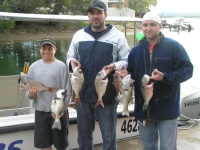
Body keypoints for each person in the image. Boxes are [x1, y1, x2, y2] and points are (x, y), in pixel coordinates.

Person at [66, 0, 130, 149]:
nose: (95, 16)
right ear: (88, 16)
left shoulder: (118, 36)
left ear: (105, 15)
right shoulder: (79, 35)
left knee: (109, 136)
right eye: (92, 13)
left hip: (107, 94)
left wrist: (115, 65)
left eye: (99, 13)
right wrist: (71, 62)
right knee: (84, 136)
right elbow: (69, 56)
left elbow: (127, 60)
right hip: (82, 95)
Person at [127, 12, 193, 150]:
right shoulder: (135, 51)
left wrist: (165, 77)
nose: (148, 28)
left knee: (168, 147)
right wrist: (126, 76)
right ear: (142, 27)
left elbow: (187, 71)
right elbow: (132, 73)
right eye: (145, 25)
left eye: (152, 24)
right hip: (143, 109)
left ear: (160, 26)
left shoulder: (174, 47)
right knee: (148, 146)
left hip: (167, 108)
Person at [27, 36, 72, 150]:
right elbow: (29, 95)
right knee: (45, 145)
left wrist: (62, 109)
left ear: (55, 50)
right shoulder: (33, 67)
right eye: (44, 48)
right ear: (40, 49)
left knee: (60, 145)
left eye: (49, 48)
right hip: (41, 112)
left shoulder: (61, 67)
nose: (46, 51)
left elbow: (68, 89)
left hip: (59, 111)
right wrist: (31, 95)